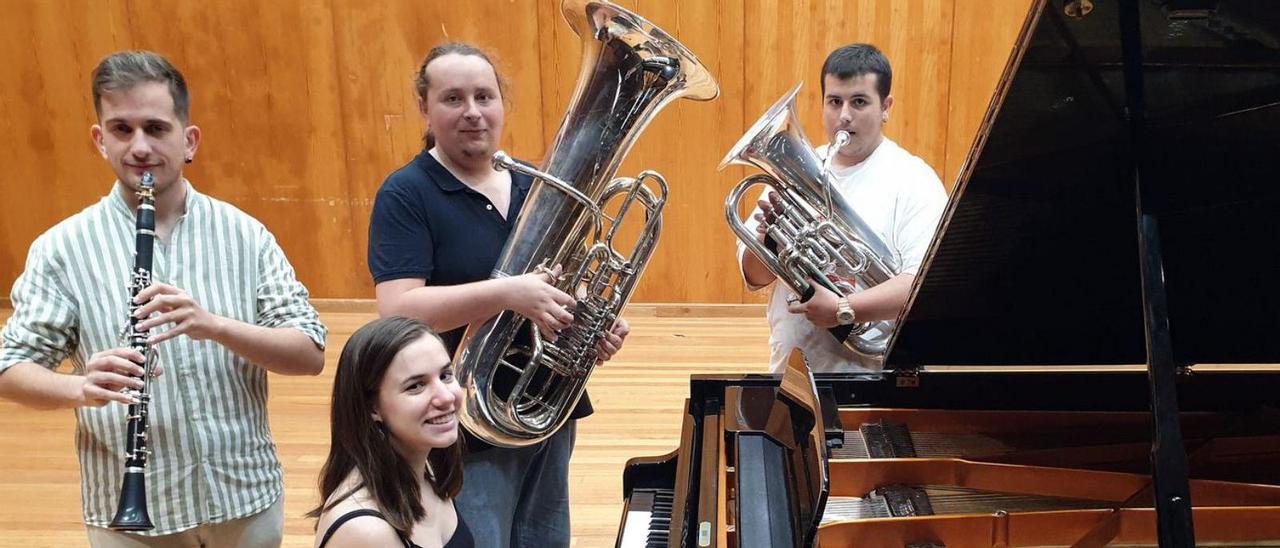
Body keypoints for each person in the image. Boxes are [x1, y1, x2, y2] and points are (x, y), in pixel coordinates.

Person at [0, 50, 327, 546]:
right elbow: (9, 368)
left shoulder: (246, 235)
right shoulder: (62, 249)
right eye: (121, 130)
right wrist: (81, 389)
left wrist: (214, 325)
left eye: (156, 128)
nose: (139, 147)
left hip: (243, 496)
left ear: (188, 139)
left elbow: (309, 354)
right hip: (126, 510)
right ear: (99, 140)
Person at [366, 42, 629, 547]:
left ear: (502, 104)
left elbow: (560, 286)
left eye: (484, 96)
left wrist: (592, 324)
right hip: (462, 415)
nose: (472, 112)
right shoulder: (407, 193)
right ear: (425, 107)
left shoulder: (537, 184)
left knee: (546, 540)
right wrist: (507, 293)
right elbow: (398, 309)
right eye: (453, 99)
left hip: (547, 401)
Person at [738, 43, 948, 373]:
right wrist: (768, 244)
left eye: (859, 102)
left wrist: (843, 309)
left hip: (869, 373)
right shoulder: (793, 171)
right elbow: (754, 275)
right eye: (834, 101)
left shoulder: (914, 180)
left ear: (886, 107)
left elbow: (922, 282)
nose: (844, 115)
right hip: (790, 369)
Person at [309, 317, 473, 548]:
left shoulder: (427, 466)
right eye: (416, 386)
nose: (446, 397)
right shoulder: (366, 532)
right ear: (372, 408)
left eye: (445, 375)